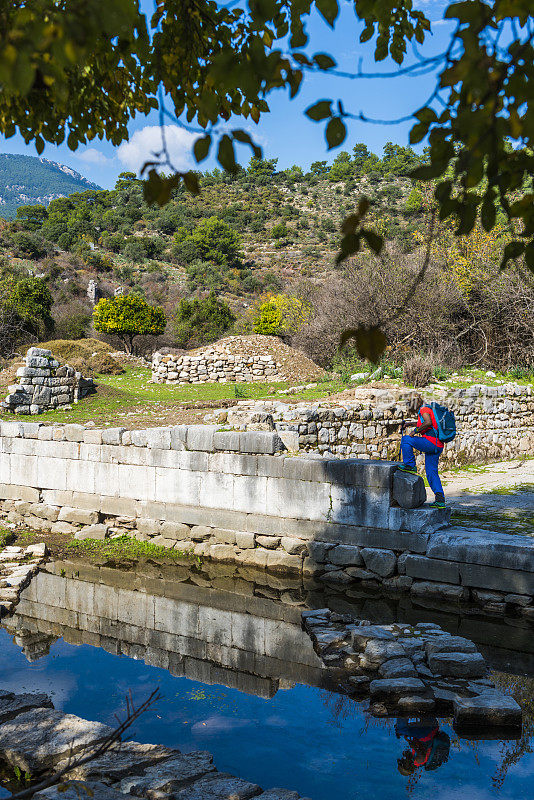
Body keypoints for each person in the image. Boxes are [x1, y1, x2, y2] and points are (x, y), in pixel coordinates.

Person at [399, 395, 446, 508]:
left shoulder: (423, 409)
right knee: (431, 473)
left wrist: (414, 431)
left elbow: (428, 422)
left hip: (431, 442)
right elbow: (426, 423)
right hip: (437, 445)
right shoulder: (428, 409)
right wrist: (411, 424)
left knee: (406, 439)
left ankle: (410, 465)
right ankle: (440, 500)